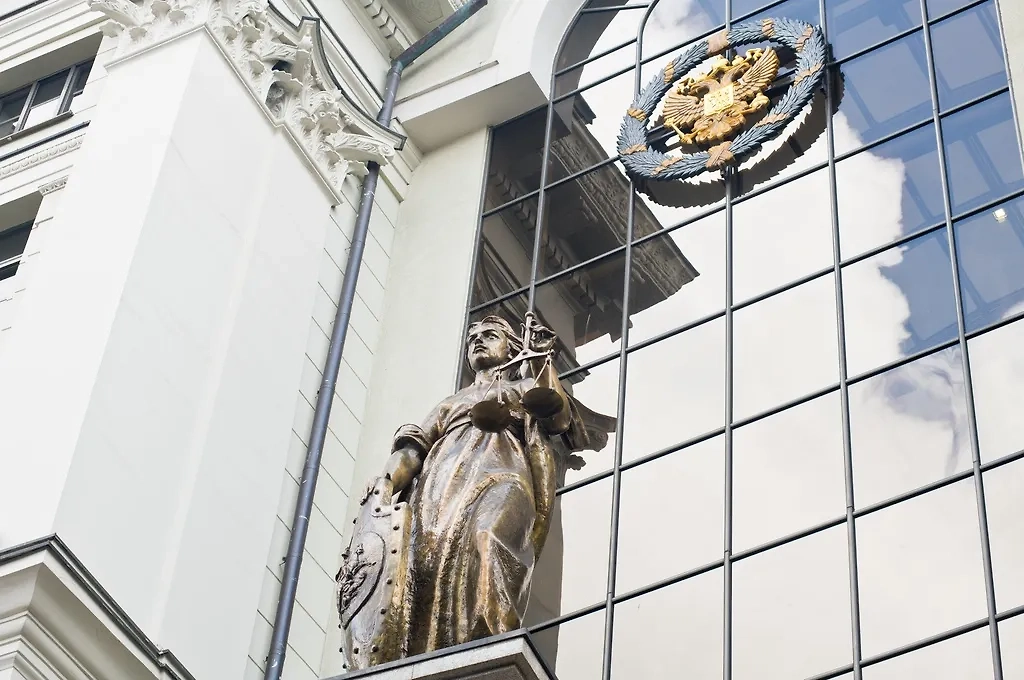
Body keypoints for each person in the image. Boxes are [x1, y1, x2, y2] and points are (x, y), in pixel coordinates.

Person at [380, 314, 611, 656]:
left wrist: (540, 359)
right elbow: (412, 451)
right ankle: (436, 650)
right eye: (473, 337)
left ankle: (490, 642)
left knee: (490, 535)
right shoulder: (450, 404)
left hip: (504, 477)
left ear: (511, 349)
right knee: (426, 565)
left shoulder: (524, 389)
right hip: (440, 492)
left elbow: (558, 417)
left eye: (490, 335)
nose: (478, 340)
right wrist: (384, 486)